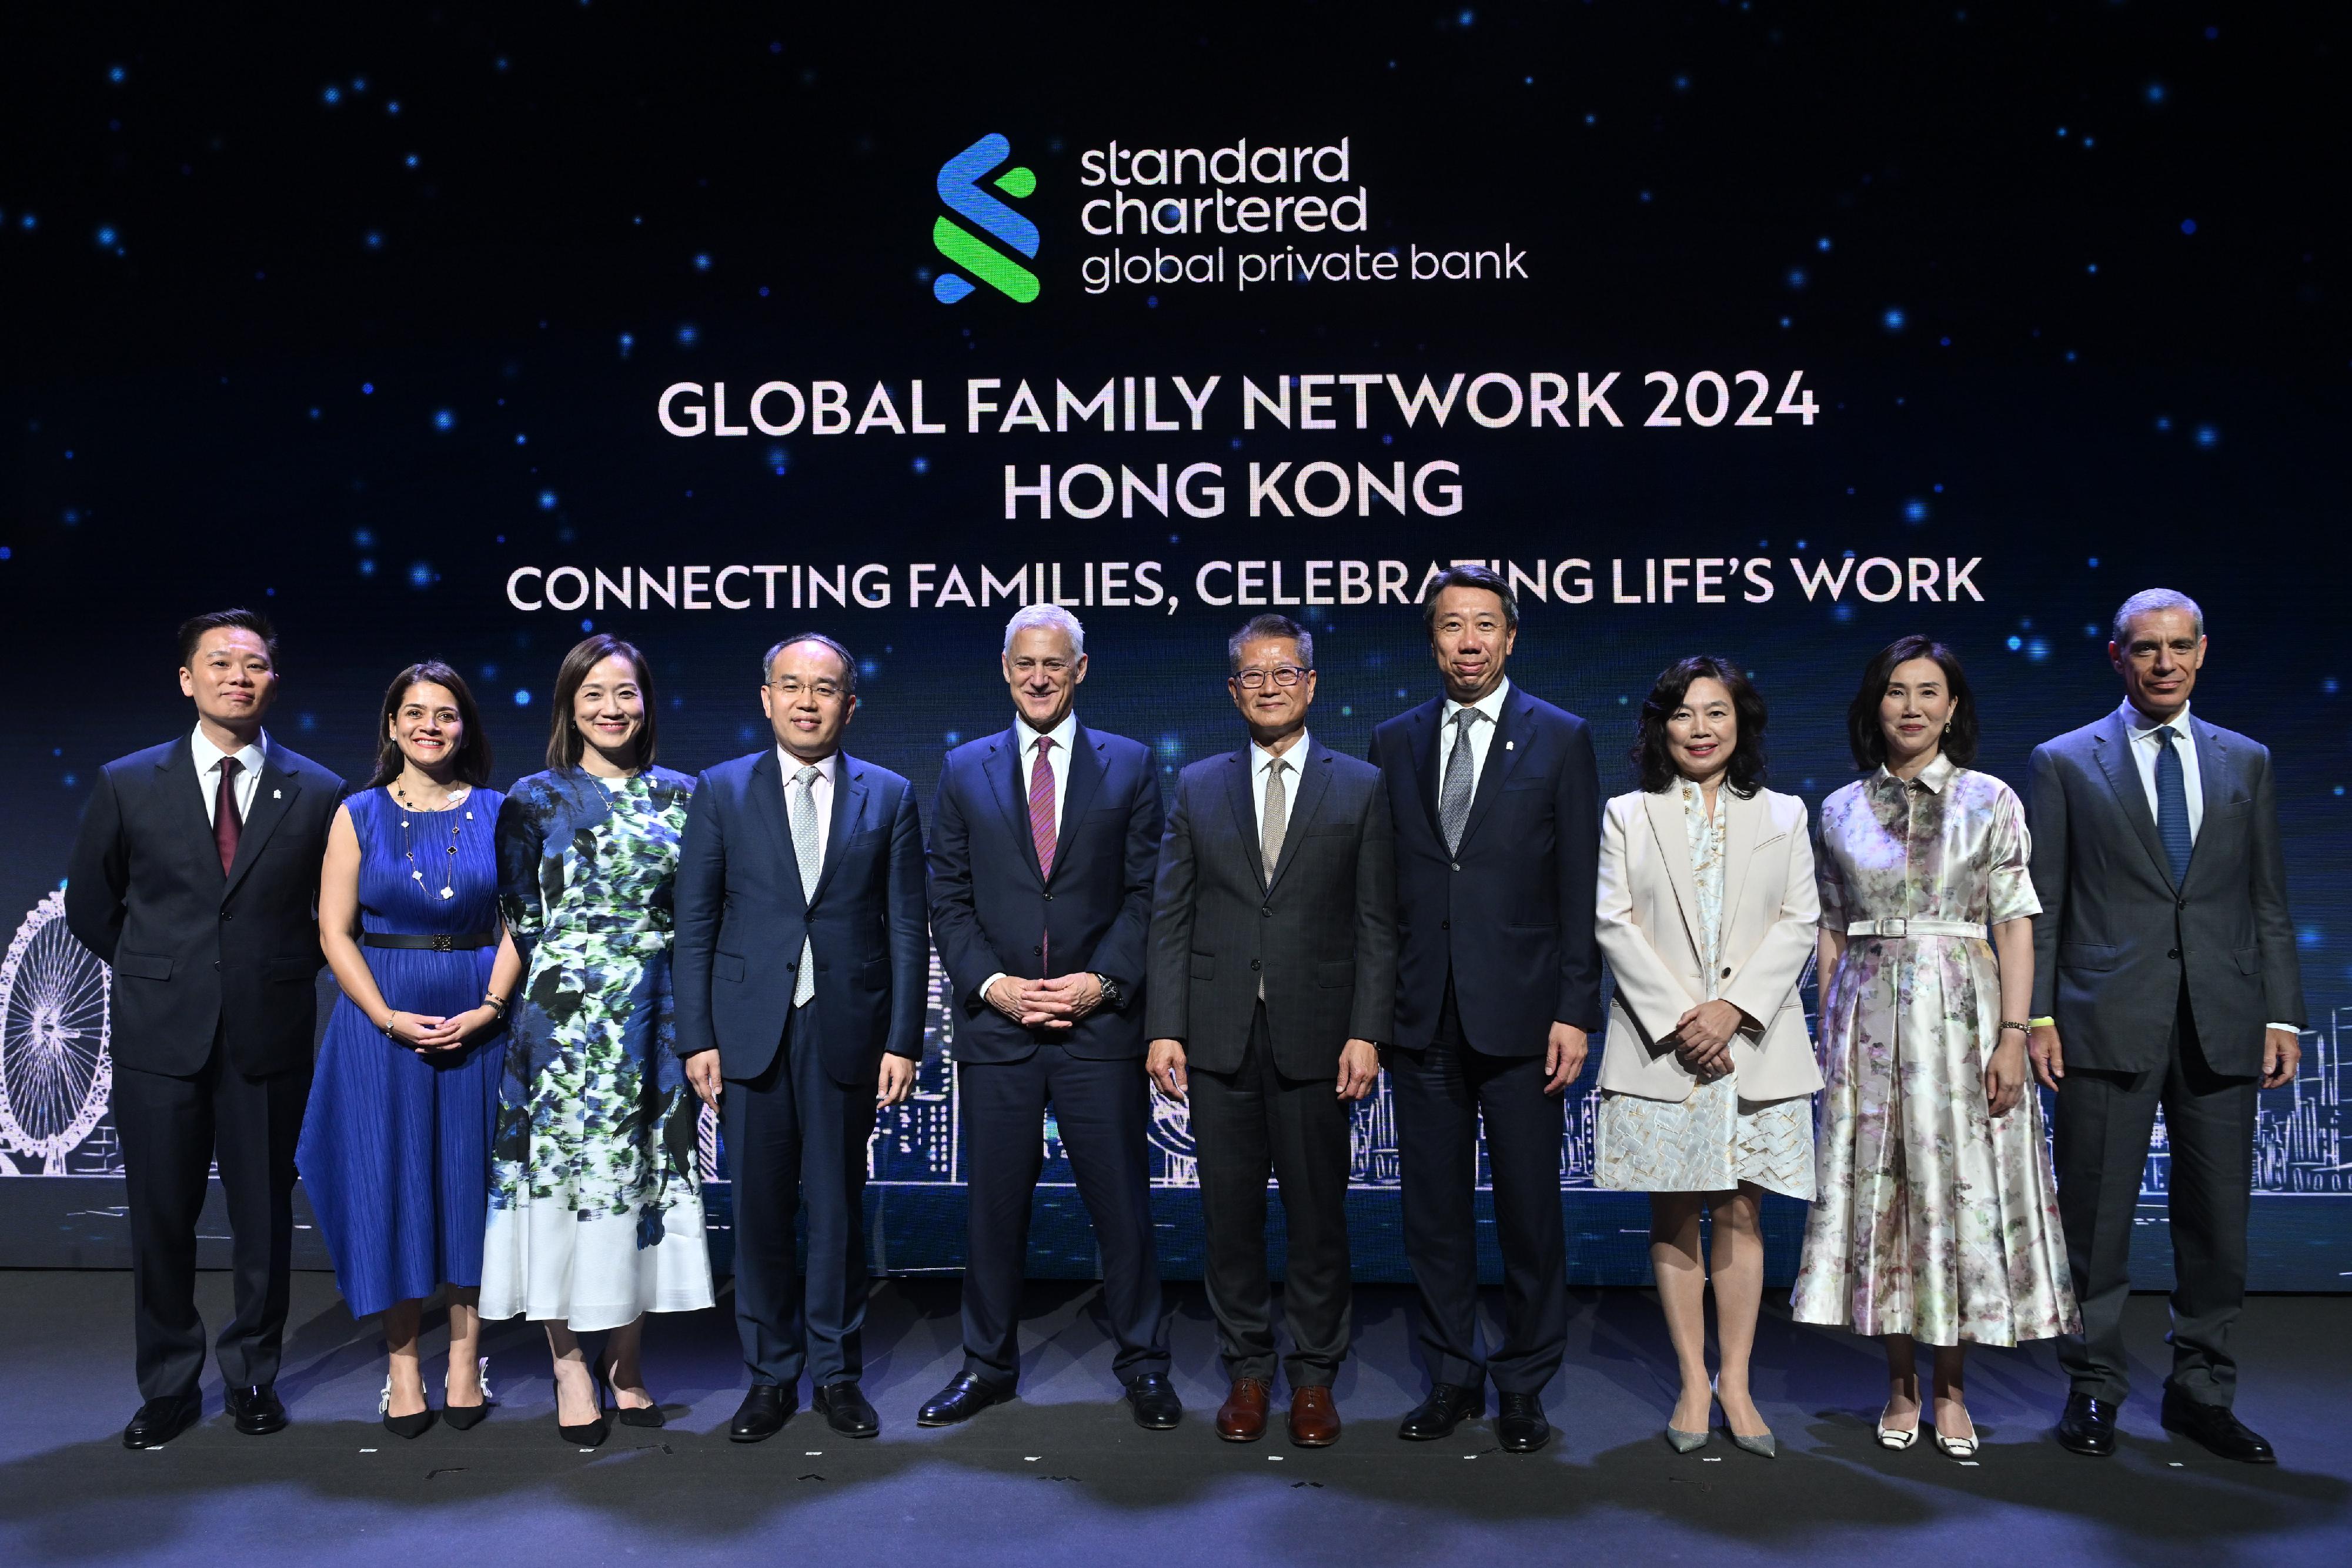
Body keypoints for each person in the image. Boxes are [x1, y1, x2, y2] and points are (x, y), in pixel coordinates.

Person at [2028, 589, 2304, 1464]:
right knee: (2096, 1222)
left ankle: (2202, 1393)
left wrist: (2282, 1014)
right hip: (2103, 1020)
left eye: (2180, 647)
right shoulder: (2067, 761)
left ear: (2203, 652)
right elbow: (2043, 906)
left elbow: (2266, 900)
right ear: (2117, 656)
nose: (2165, 663)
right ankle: (2096, 1390)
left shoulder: (2245, 761)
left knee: (2218, 1224)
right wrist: (2036, 1013)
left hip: (2223, 1021)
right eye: (2147, 648)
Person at [1790, 636, 2077, 1459]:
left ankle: (1952, 1389)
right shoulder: (1839, 809)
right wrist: (1828, 1036)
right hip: (1867, 1028)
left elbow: (2016, 923)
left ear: (1953, 708)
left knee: (1954, 1196)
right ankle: (1899, 1385)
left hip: (1965, 1021)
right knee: (1887, 1202)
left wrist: (2017, 1035)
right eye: (1895, 692)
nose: (1911, 707)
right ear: (1873, 707)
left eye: (1928, 692)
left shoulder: (1993, 800)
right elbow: (1832, 935)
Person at [65, 609, 346, 1448]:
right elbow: (91, 906)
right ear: (187, 679)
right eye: (219, 663)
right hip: (160, 1037)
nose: (238, 676)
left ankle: (253, 1375)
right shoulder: (127, 781)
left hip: (268, 1033)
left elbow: (327, 916)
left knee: (262, 1218)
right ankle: (168, 1383)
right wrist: (160, 971)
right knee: (161, 1216)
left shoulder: (320, 790)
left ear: (272, 682)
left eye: (254, 664)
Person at [918, 607, 1175, 1430]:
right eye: (1025, 664)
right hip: (999, 1028)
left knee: (1122, 1209)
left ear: (1080, 669)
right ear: (1004, 668)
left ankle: (1143, 1363)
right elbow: (947, 901)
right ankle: (987, 1366)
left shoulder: (1131, 767)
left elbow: (1149, 895)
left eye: (1054, 665)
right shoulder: (963, 768)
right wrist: (992, 985)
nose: (1038, 678)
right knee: (993, 1210)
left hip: (1098, 1026)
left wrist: (1101, 982)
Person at [1147, 613, 1397, 1448]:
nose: (1268, 686)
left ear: (1312, 684)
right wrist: (1164, 1026)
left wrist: (1368, 1031)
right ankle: (1249, 1371)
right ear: (1232, 690)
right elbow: (1171, 916)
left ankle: (1315, 1376)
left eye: (1283, 673)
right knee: (1229, 1219)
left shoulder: (1359, 785)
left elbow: (1375, 924)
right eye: (1252, 675)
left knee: (1318, 1217)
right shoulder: (1198, 785)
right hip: (1216, 1036)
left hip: (1320, 1035)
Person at [1368, 563, 1601, 1454]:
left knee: (1530, 1215)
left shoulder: (1561, 737)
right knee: (1432, 1214)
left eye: (1485, 626)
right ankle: (1452, 1376)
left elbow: (1580, 883)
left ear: (1511, 637)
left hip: (1527, 1020)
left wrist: (1576, 1008)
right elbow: (1384, 890)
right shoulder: (1396, 740)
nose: (1468, 642)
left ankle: (1524, 1385)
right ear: (1432, 640)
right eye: (1451, 627)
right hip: (1422, 1017)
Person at [672, 633, 927, 1442]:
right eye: (792, 685)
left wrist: (904, 1039)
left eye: (825, 689)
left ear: (849, 705)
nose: (807, 701)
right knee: (758, 1216)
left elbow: (909, 928)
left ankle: (838, 1375)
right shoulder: (720, 790)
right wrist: (696, 1036)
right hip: (748, 1031)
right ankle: (770, 1377)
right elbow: (696, 922)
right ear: (766, 697)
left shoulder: (889, 794)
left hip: (848, 1027)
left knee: (837, 1214)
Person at [479, 634, 713, 1447]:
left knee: (638, 1190)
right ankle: (569, 1365)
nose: (611, 709)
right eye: (593, 696)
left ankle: (626, 1364)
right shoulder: (532, 799)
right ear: (568, 707)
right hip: (561, 1029)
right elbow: (524, 917)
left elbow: (695, 919)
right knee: (562, 1196)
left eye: (626, 694)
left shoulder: (686, 798)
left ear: (647, 703)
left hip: (655, 1019)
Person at [1592, 657, 1820, 1458]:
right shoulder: (1628, 814)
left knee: (1744, 1211)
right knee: (1675, 1212)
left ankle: (1740, 1382)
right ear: (1660, 726)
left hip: (1753, 1042)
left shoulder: (1786, 815)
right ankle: (1693, 1379)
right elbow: (1614, 922)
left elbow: (1800, 922)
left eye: (1716, 713)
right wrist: (1683, 1020)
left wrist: (1733, 1012)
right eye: (1684, 714)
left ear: (1740, 724)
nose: (1700, 729)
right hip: (1665, 1047)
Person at [297, 663, 521, 1437]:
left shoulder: (503, 810)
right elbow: (334, 931)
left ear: (467, 728)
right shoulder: (355, 813)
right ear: (391, 725)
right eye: (415, 712)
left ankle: (465, 1358)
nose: (431, 725)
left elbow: (521, 922)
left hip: (478, 1010)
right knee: (388, 1189)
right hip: (379, 1017)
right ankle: (400, 1367)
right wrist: (387, 1016)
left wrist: (492, 1007)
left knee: (469, 1188)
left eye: (448, 714)